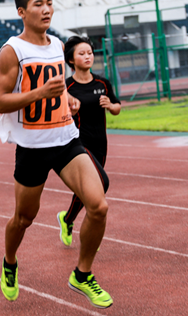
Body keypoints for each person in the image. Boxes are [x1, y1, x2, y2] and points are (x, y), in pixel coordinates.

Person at [0, 0, 112, 309]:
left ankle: (82, 273)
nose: (46, 9)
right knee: (24, 218)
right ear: (21, 11)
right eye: (38, 4)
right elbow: (1, 102)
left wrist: (68, 98)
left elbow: (57, 87)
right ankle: (9, 260)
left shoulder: (58, 45)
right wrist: (39, 94)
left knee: (98, 206)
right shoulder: (12, 50)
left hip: (65, 140)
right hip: (32, 148)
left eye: (49, 3)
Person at [56, 36, 121, 248]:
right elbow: (57, 112)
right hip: (78, 143)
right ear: (71, 60)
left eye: (90, 53)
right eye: (82, 54)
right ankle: (82, 228)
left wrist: (110, 106)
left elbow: (118, 107)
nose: (87, 56)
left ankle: (67, 219)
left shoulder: (103, 83)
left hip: (101, 142)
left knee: (89, 188)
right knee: (99, 185)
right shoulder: (67, 86)